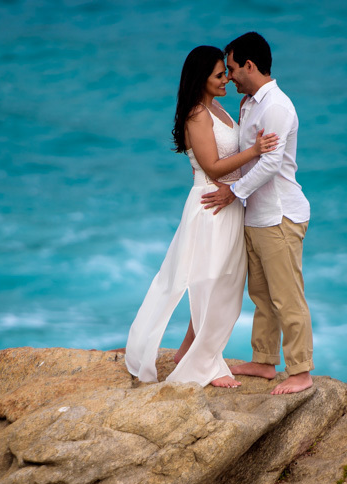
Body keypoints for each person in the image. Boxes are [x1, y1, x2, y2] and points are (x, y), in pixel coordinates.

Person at [125, 45, 279, 388]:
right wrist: (254, 151)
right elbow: (211, 166)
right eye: (219, 75)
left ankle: (188, 352)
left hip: (229, 204)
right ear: (201, 80)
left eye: (227, 71)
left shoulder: (219, 108)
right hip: (210, 204)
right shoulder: (197, 113)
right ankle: (202, 364)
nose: (227, 78)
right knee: (203, 282)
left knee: (224, 283)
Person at [201, 32, 315, 395]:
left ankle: (301, 370)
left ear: (250, 66)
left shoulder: (276, 107)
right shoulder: (250, 103)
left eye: (232, 68)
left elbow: (271, 163)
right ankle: (264, 361)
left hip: (279, 215)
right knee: (262, 295)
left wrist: (232, 192)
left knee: (287, 296)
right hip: (256, 214)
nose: (229, 76)